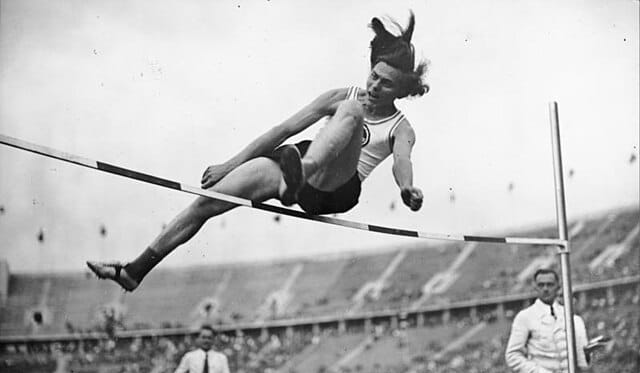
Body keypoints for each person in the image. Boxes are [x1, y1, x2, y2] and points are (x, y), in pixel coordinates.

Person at [87, 11, 429, 292]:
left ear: (401, 89)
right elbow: (283, 131)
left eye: (385, 83)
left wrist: (406, 189)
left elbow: (401, 161)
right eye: (373, 76)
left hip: (337, 184)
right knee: (206, 204)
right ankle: (134, 271)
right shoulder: (343, 92)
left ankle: (300, 176)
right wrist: (230, 164)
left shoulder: (401, 127)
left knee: (352, 112)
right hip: (293, 163)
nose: (373, 86)